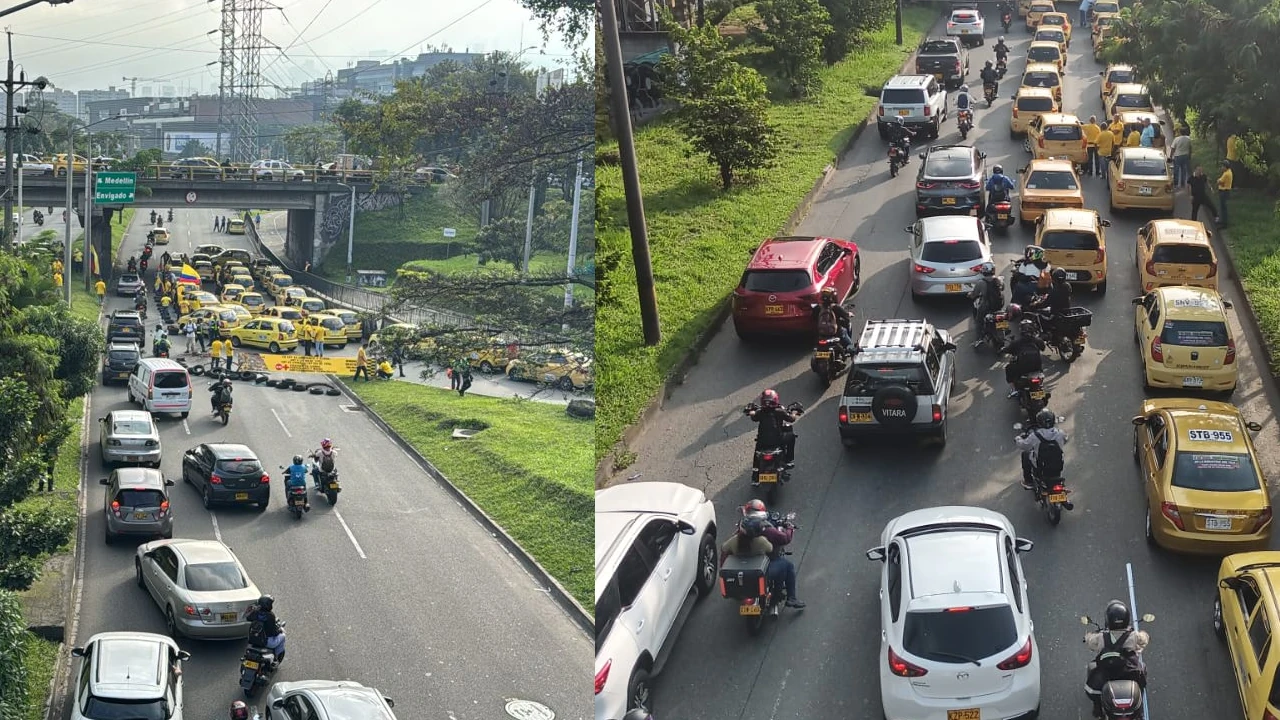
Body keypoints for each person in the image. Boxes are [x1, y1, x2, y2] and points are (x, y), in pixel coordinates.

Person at [719, 512, 806, 609]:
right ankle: (791, 597)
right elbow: (770, 549)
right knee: (787, 565)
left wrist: (722, 566)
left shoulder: (735, 540)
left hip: (741, 572)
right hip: (762, 572)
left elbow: (724, 549)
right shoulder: (762, 541)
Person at [1084, 600, 1150, 718]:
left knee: (1092, 677)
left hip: (1107, 674)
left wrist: (1087, 637)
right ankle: (1139, 705)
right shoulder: (1134, 636)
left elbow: (1090, 642)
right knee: (1142, 668)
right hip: (1129, 672)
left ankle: (1097, 708)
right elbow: (1144, 640)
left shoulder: (1101, 637)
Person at [742, 499, 807, 608]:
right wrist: (789, 528)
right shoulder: (766, 531)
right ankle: (791, 598)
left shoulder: (742, 528)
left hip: (745, 564)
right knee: (787, 565)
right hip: (764, 566)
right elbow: (785, 539)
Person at [746, 389, 801, 468]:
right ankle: (789, 460)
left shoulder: (760, 412)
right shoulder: (780, 412)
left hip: (762, 441)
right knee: (791, 437)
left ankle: (755, 471)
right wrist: (794, 412)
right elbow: (791, 419)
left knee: (757, 450)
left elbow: (753, 417)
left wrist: (751, 412)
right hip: (778, 440)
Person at [1015, 409, 1069, 489]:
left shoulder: (1035, 436)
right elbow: (1065, 440)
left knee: (1025, 454)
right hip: (1058, 466)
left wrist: (1018, 439)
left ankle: (1028, 481)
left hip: (1041, 467)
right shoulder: (1060, 433)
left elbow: (1024, 446)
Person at [1000, 319, 1046, 398]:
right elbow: (1043, 347)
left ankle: (1014, 389)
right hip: (1037, 368)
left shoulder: (1017, 342)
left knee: (1009, 368)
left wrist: (1002, 349)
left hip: (1023, 369)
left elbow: (1008, 350)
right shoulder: (1037, 340)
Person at [1028, 267, 1072, 337]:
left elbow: (1045, 304)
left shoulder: (1054, 291)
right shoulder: (1068, 286)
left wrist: (1035, 305)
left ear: (1054, 279)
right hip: (1066, 312)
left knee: (1039, 315)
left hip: (1055, 314)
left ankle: (1044, 334)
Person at [969, 262, 1005, 346]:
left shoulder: (981, 282)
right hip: (999, 306)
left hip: (986, 306)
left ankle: (979, 338)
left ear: (984, 271)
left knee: (979, 321)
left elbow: (974, 294)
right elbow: (1003, 288)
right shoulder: (999, 279)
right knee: (1002, 317)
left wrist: (970, 295)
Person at [245, 594, 287, 659]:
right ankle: (276, 657)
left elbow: (248, 617)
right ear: (268, 605)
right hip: (266, 642)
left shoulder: (256, 613)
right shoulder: (270, 616)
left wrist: (253, 609)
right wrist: (279, 631)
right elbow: (273, 632)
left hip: (253, 639)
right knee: (283, 636)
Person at [1217, 159, 1233, 227]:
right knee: (1223, 207)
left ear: (1225, 166)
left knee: (1223, 208)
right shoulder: (1228, 172)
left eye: (1222, 166)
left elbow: (1219, 181)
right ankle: (1222, 221)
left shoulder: (1226, 174)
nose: (1221, 167)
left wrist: (1218, 181)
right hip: (1225, 191)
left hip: (1224, 191)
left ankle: (1224, 223)